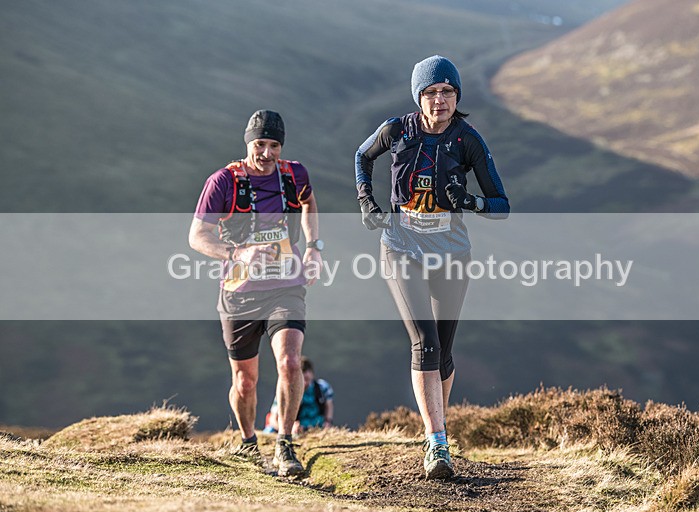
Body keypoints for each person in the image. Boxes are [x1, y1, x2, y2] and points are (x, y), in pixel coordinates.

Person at [354, 55, 510, 480]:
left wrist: (472, 203)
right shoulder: (396, 130)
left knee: (443, 348)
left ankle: (437, 432)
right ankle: (437, 443)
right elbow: (361, 157)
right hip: (401, 246)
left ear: (457, 96)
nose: (440, 100)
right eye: (431, 92)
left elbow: (501, 205)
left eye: (447, 91)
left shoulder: (468, 140)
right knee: (424, 343)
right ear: (418, 96)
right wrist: (367, 202)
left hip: (452, 251)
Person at [189, 109, 324, 477]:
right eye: (260, 144)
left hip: (286, 286)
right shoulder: (222, 182)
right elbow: (197, 236)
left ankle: (284, 443)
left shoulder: (294, 174)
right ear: (248, 141)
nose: (266, 153)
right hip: (239, 292)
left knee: (290, 362)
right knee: (245, 382)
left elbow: (309, 202)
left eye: (274, 145)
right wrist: (238, 252)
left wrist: (313, 247)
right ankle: (249, 442)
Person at [264, 356, 334, 434]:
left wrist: (328, 421)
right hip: (294, 428)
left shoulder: (322, 387)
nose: (304, 382)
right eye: (301, 379)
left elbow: (329, 405)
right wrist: (288, 429)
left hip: (317, 425)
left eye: (306, 378)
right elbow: (273, 419)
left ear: (312, 374)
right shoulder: (286, 391)